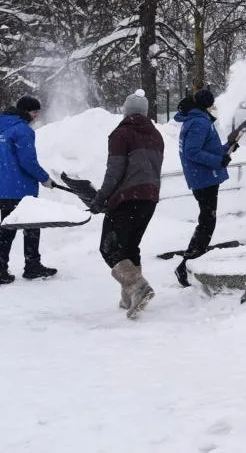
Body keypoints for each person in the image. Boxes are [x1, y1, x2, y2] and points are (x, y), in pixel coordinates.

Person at [90, 91, 164, 319]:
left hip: (127, 198)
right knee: (130, 248)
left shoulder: (121, 134)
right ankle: (129, 297)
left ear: (126, 110)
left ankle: (138, 287)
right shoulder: (156, 135)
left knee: (109, 248)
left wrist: (101, 197)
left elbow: (115, 171)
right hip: (149, 198)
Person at [0, 95, 59, 285]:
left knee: (7, 229)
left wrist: (3, 158)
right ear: (25, 112)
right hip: (20, 188)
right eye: (34, 112)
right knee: (32, 226)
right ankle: (32, 266)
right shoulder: (23, 130)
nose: (36, 116)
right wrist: (44, 178)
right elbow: (27, 161)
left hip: (2, 187)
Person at [172, 89, 230, 287]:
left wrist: (226, 150)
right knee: (207, 222)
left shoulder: (197, 119)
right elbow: (192, 152)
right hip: (204, 179)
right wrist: (218, 161)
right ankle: (187, 265)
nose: (214, 107)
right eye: (212, 104)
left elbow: (207, 149)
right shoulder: (199, 122)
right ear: (206, 105)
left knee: (207, 220)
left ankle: (190, 263)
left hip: (204, 177)